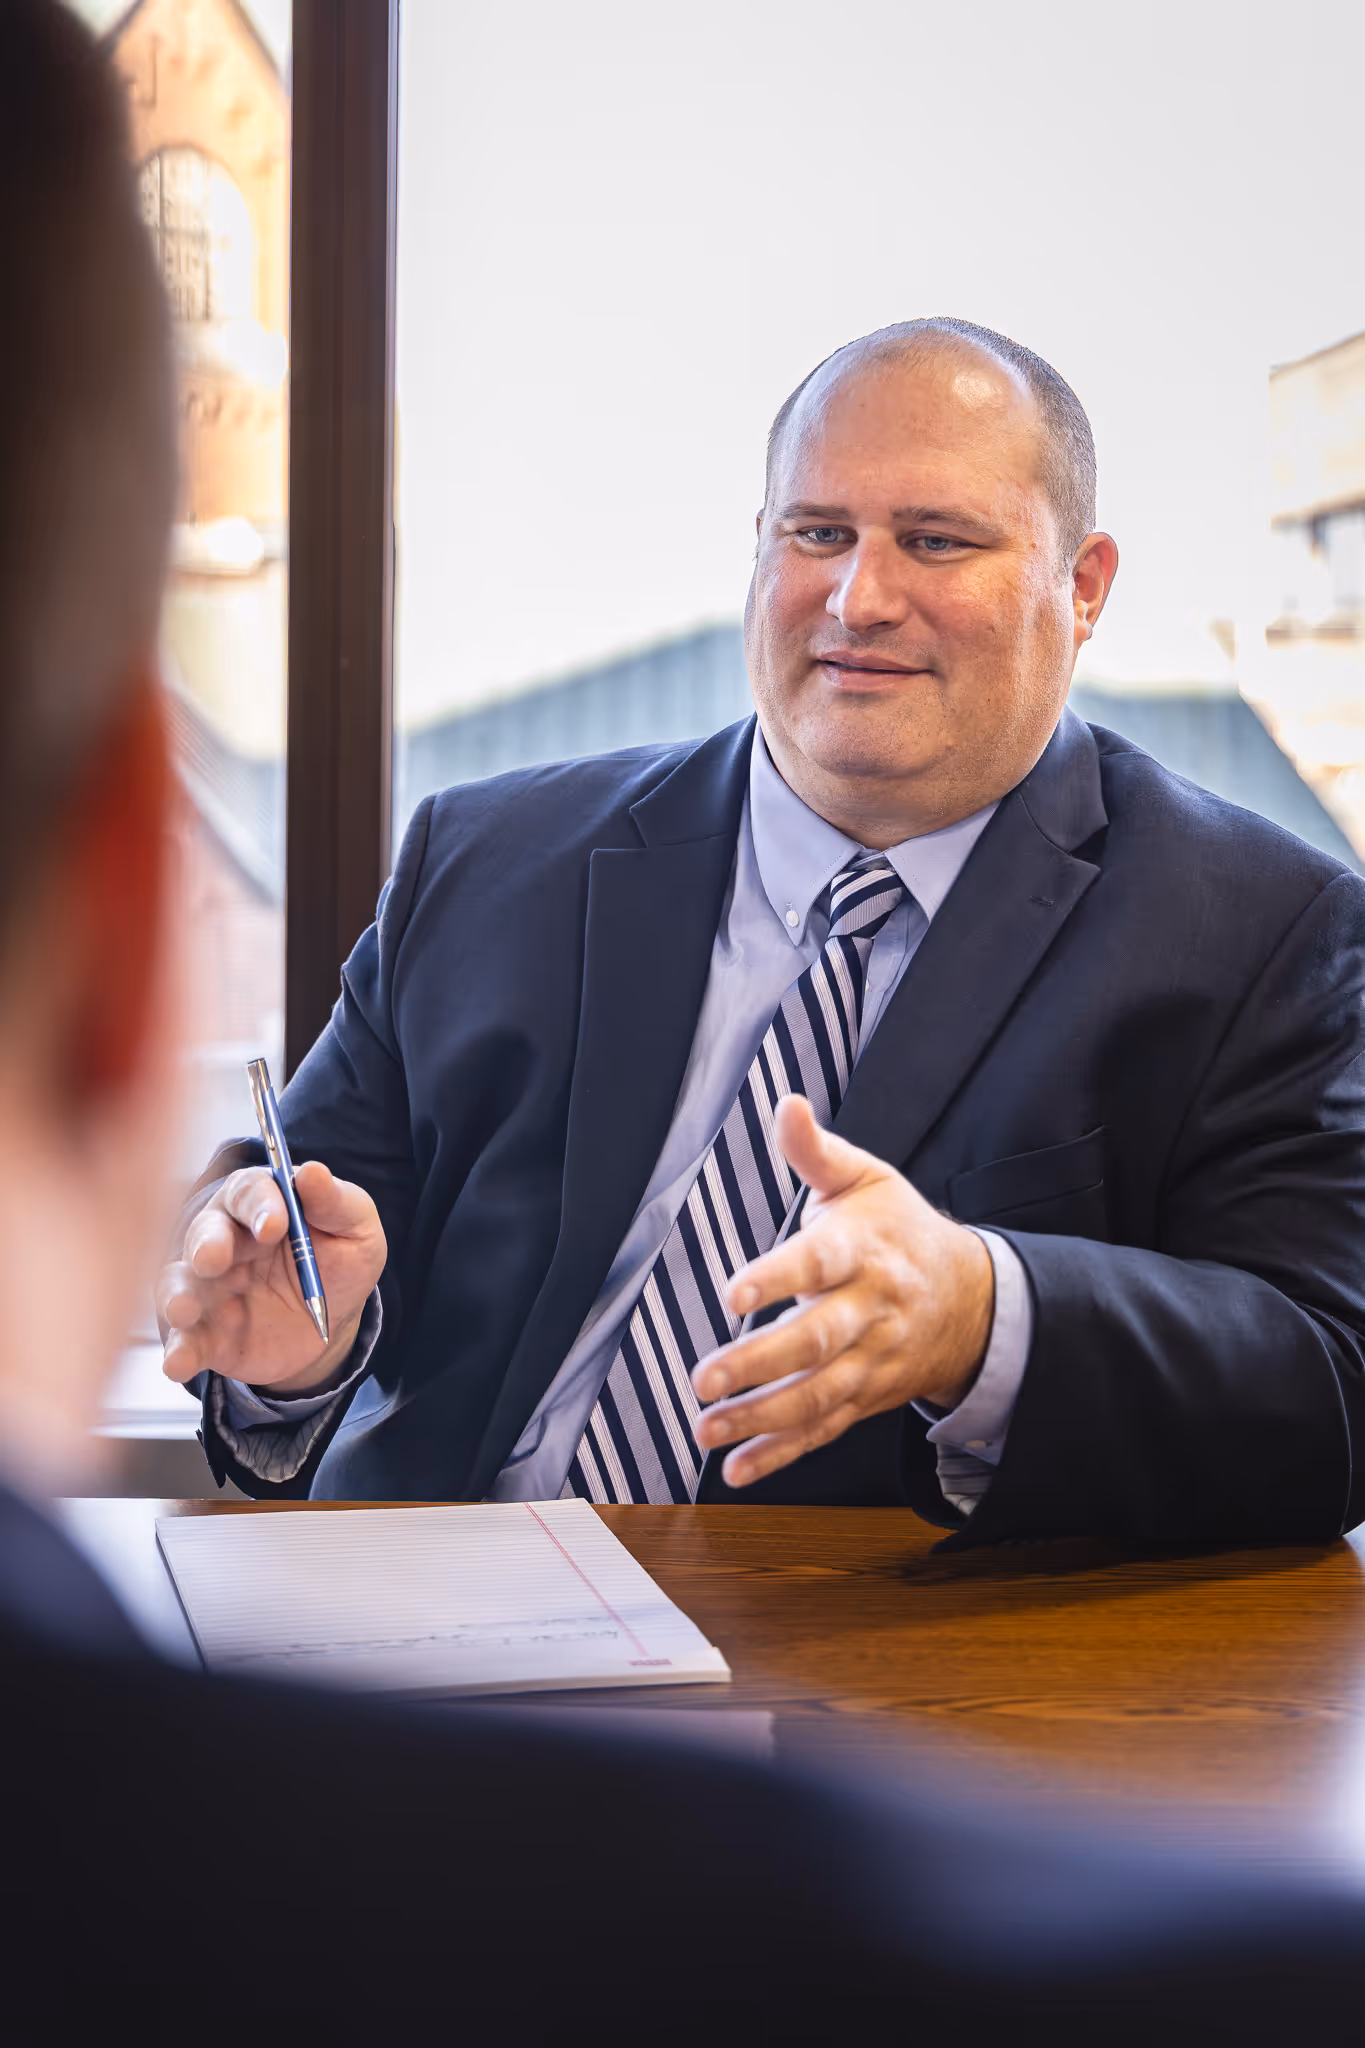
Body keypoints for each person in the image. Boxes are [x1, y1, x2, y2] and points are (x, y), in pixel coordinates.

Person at [160, 305, 1365, 1539]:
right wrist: (293, 1348)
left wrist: (984, 1315)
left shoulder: (1263, 931)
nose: (861, 594)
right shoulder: (479, 862)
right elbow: (310, 1261)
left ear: (1085, 585)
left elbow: (1329, 1391)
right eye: (819, 531)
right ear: (759, 548)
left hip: (872, 1681)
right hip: (418, 1623)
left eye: (937, 540)